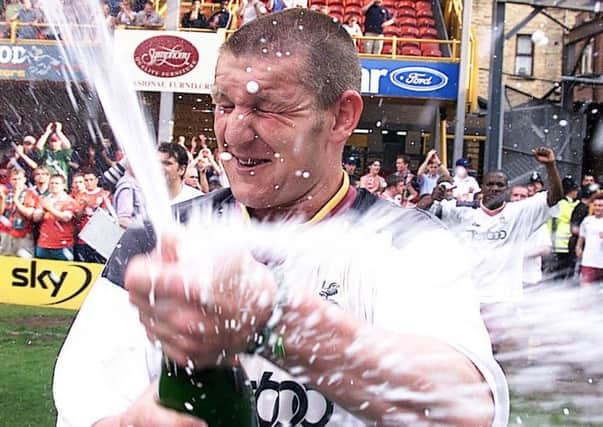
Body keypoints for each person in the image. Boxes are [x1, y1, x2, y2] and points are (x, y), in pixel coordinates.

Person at [53, 10, 507, 427]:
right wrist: (141, 422)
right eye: (224, 104)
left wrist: (274, 319)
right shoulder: (158, 238)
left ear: (341, 117)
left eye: (266, 108)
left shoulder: (407, 241)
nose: (233, 133)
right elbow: (86, 406)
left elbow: (464, 407)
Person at [423, 148, 562, 304]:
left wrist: (550, 165)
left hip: (504, 300)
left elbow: (554, 197)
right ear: (481, 187)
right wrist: (432, 198)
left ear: (507, 189)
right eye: (490, 184)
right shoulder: (462, 211)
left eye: (500, 185)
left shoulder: (519, 212)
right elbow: (420, 214)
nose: (495, 188)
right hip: (468, 299)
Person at [509, 185, 550, 288]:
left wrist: (522, 253)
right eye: (515, 195)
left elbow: (546, 249)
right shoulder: (502, 219)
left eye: (523, 196)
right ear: (510, 197)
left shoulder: (538, 220)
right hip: (506, 279)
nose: (518, 199)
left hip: (529, 279)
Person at [32, 174, 77, 261]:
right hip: (43, 244)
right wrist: (42, 210)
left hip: (63, 245)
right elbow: (36, 218)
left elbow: (66, 218)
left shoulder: (69, 201)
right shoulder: (44, 199)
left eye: (57, 183)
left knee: (63, 271)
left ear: (63, 185)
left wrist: (48, 208)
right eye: (51, 183)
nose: (54, 185)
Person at [546, 176, 579, 282]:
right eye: (575, 189)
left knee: (560, 272)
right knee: (561, 273)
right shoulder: (563, 204)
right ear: (571, 190)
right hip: (562, 244)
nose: (577, 192)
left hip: (560, 243)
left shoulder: (564, 203)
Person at [0, 169, 39, 258]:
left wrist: (16, 200)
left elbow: (29, 214)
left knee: (24, 261)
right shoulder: (5, 193)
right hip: (5, 234)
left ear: (24, 180)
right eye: (14, 179)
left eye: (19, 179)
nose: (17, 181)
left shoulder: (31, 194)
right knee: (4, 260)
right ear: (10, 180)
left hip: (23, 234)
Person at [576, 193, 603, 286]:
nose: (597, 208)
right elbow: (581, 236)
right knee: (586, 291)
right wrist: (578, 248)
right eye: (595, 205)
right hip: (588, 262)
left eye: (600, 206)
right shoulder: (587, 220)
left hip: (601, 263)